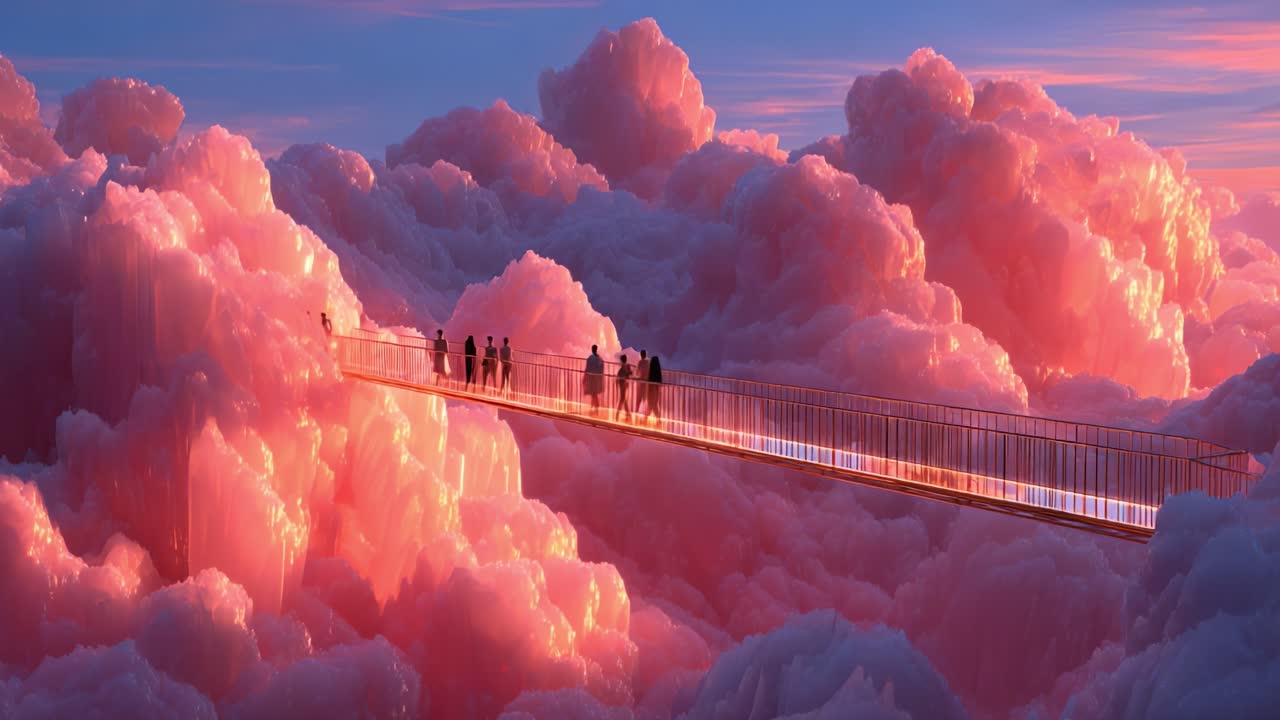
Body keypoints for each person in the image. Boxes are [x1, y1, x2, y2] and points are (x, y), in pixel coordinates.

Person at [583, 344, 604, 412]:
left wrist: (584, 377)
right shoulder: (600, 359)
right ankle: (593, 407)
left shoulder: (590, 358)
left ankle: (596, 407)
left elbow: (587, 368)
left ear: (592, 349)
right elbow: (601, 369)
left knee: (593, 393)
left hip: (591, 378)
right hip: (597, 378)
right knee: (594, 393)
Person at [615, 354, 633, 421]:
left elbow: (620, 376)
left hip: (623, 385)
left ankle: (617, 415)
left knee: (622, 400)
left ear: (621, 360)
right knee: (624, 400)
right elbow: (630, 373)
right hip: (625, 385)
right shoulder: (628, 366)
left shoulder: (623, 367)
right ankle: (628, 416)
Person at [646, 355, 663, 421]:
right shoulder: (658, 372)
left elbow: (649, 380)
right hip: (656, 390)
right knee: (654, 405)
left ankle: (646, 419)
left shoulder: (651, 371)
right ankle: (658, 420)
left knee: (651, 405)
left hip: (651, 390)